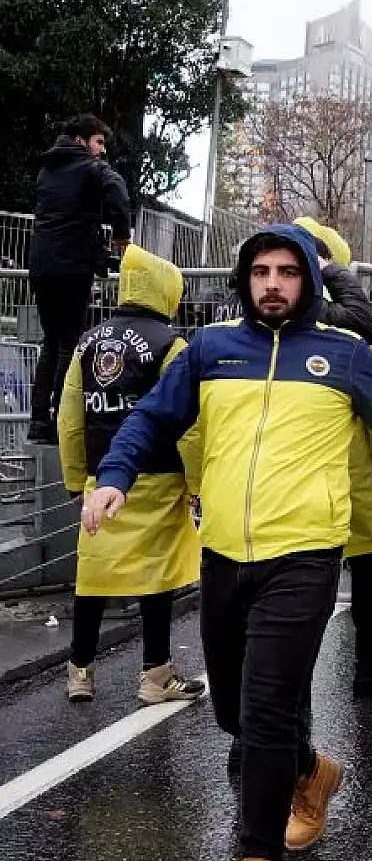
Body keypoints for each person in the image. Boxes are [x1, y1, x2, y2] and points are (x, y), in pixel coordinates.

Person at [80, 223, 372, 861]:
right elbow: (152, 418)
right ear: (245, 280)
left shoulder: (346, 354)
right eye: (261, 271)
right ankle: (310, 769)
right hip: (224, 554)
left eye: (288, 272)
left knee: (267, 709)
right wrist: (114, 478)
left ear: (310, 280)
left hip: (304, 556)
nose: (273, 283)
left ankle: (256, 858)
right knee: (234, 712)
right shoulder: (209, 349)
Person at [58, 244, 203, 706]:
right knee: (155, 579)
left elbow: (69, 418)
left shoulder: (88, 343)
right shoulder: (170, 345)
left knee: (94, 577)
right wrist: (198, 483)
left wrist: (75, 478)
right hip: (158, 478)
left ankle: (79, 671)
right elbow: (189, 427)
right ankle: (155, 675)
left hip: (102, 481)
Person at [291, 216, 372, 697]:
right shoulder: (350, 338)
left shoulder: (261, 328)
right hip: (349, 470)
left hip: (289, 475)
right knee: (363, 565)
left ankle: (286, 690)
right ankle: (369, 665)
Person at [28, 114, 131, 444]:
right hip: (72, 268)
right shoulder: (90, 167)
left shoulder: (47, 169)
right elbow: (117, 190)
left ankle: (37, 424)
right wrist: (121, 237)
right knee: (67, 345)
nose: (101, 150)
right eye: (98, 142)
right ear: (80, 140)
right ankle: (61, 422)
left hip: (42, 267)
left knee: (50, 342)